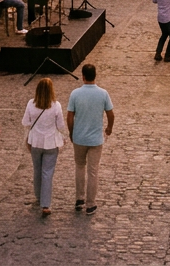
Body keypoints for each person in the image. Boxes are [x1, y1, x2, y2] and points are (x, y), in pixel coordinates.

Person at [66, 63, 114, 215]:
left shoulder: (75, 94)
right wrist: (109, 128)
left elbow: (70, 116)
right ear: (95, 76)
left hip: (79, 137)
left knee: (80, 167)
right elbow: (110, 114)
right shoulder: (103, 93)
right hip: (95, 139)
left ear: (83, 76)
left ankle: (79, 198)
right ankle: (91, 203)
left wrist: (72, 132)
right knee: (93, 171)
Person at [22, 77, 67, 216]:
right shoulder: (56, 105)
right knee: (47, 173)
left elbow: (25, 122)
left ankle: (38, 195)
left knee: (37, 170)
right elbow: (61, 126)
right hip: (51, 143)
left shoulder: (31, 103)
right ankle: (45, 204)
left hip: (35, 142)